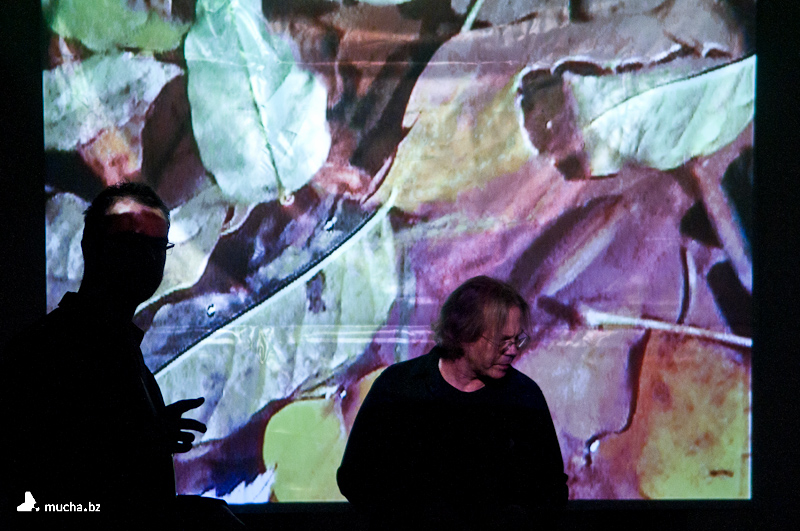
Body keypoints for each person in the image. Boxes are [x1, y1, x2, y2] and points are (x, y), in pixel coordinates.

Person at [0, 183, 241, 529]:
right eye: (132, 242)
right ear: (92, 246)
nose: (147, 258)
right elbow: (38, 501)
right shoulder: (44, 353)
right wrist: (140, 443)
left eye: (157, 246)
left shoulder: (126, 354)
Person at [337, 276, 568, 530]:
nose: (512, 350)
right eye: (502, 340)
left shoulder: (524, 397)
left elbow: (552, 490)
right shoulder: (398, 388)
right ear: (464, 333)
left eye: (517, 340)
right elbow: (354, 476)